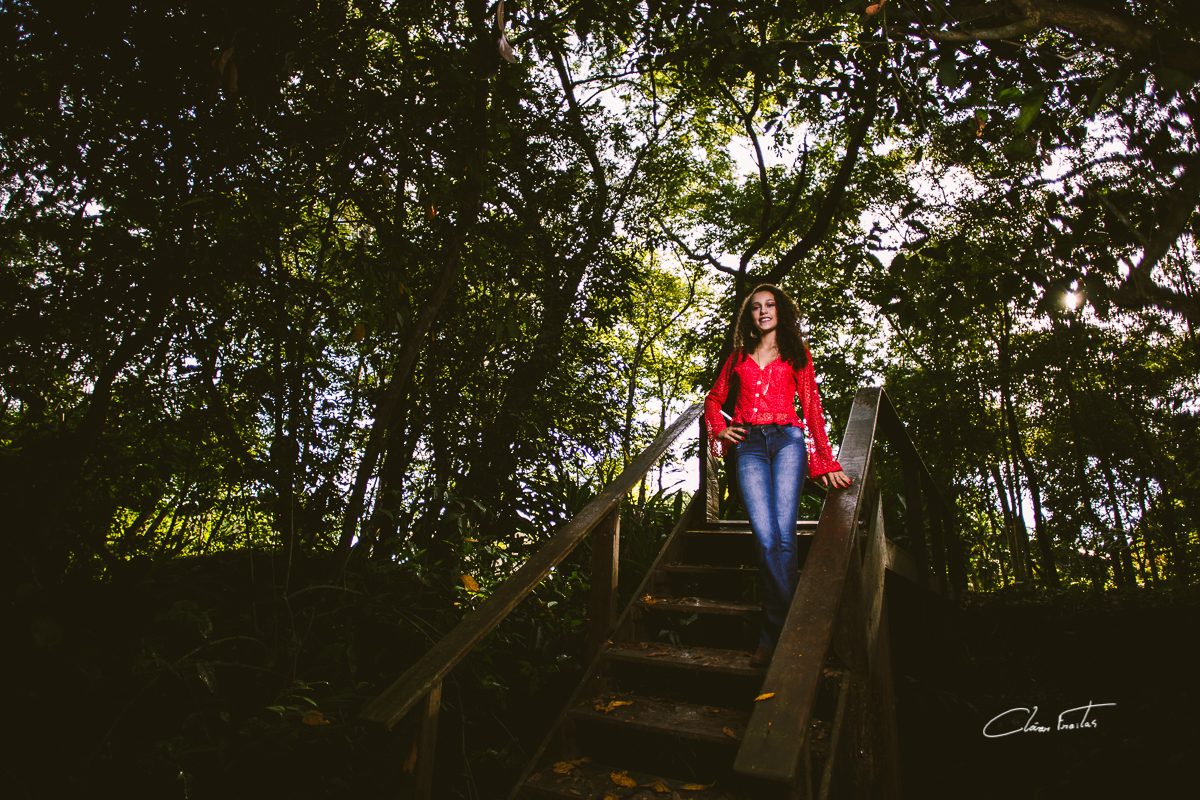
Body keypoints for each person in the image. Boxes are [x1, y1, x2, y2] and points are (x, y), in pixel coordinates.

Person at [705, 284, 851, 668]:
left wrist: (825, 459)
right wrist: (719, 428)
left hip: (788, 440)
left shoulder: (797, 355)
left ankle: (772, 637)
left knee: (784, 536)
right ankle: (799, 629)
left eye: (770, 305)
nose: (763, 311)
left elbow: (813, 408)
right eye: (756, 307)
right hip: (749, 444)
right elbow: (713, 398)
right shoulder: (738, 356)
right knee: (766, 538)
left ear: (780, 311)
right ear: (749, 316)